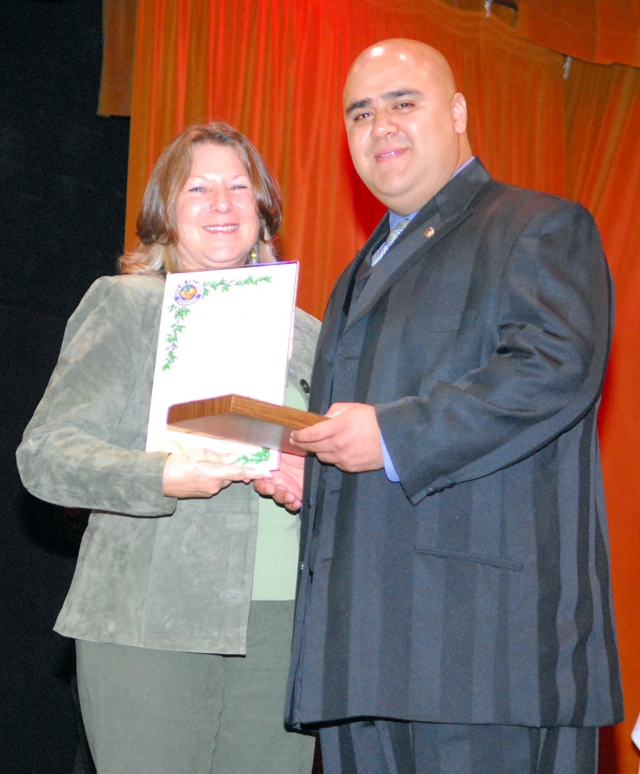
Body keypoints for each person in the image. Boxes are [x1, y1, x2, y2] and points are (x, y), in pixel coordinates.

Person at [257, 39, 623, 773]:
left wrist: (390, 434)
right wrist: (312, 468)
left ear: (457, 112)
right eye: (360, 113)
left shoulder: (537, 225)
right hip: (362, 660)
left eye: (403, 102)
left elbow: (554, 368)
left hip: (490, 659)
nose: (379, 125)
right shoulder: (354, 275)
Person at [16, 122, 318, 774]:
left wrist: (314, 476)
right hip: (148, 618)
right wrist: (162, 475)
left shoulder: (310, 333)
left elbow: (346, 462)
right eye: (199, 188)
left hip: (284, 626)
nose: (221, 203)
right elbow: (45, 454)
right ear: (165, 214)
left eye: (240, 187)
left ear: (263, 212)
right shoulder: (126, 306)